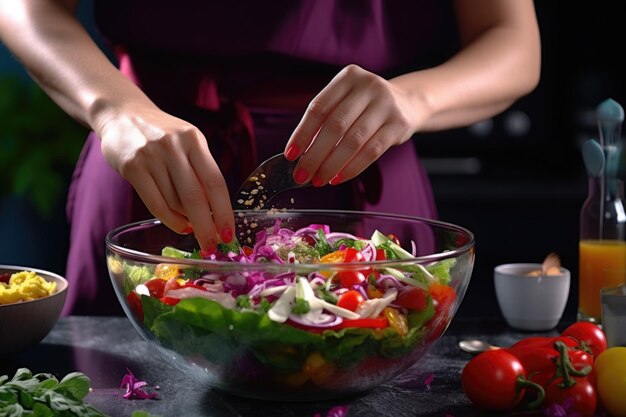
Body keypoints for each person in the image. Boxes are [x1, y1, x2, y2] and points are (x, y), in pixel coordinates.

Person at [0, 0, 541, 315]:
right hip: (150, 165)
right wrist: (114, 110)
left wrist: (413, 98)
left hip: (360, 164)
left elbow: (513, 40)